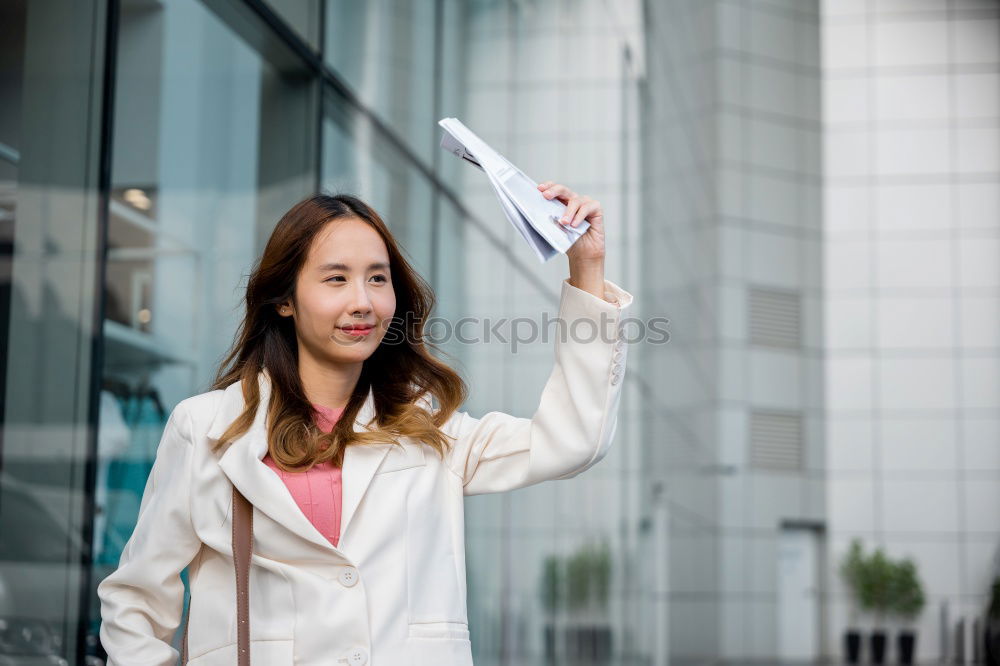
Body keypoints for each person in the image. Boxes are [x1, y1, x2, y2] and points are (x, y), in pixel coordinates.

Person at [97, 182, 633, 666]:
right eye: (336, 279)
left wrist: (586, 267)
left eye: (378, 279)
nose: (363, 302)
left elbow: (572, 440)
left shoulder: (429, 429)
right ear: (284, 299)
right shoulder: (207, 427)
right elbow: (136, 603)